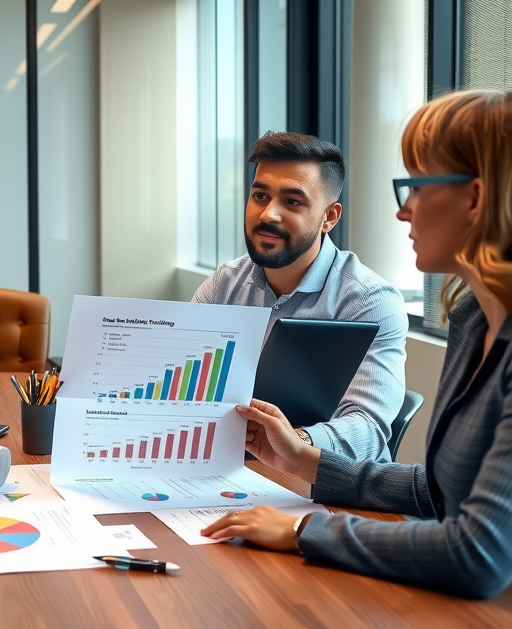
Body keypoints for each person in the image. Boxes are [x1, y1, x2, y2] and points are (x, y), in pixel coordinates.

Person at [201, 91, 512, 599]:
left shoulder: (372, 299)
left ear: (475, 199)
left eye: (416, 187)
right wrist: (301, 458)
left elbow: (476, 553)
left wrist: (306, 531)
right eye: (260, 194)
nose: (403, 211)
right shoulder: (472, 319)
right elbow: (433, 490)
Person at [193, 132, 407, 462]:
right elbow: (183, 388)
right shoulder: (224, 285)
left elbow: (368, 429)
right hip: (231, 471)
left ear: (330, 217)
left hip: (330, 491)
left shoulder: (369, 301)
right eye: (260, 196)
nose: (268, 215)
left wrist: (293, 441)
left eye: (292, 201)